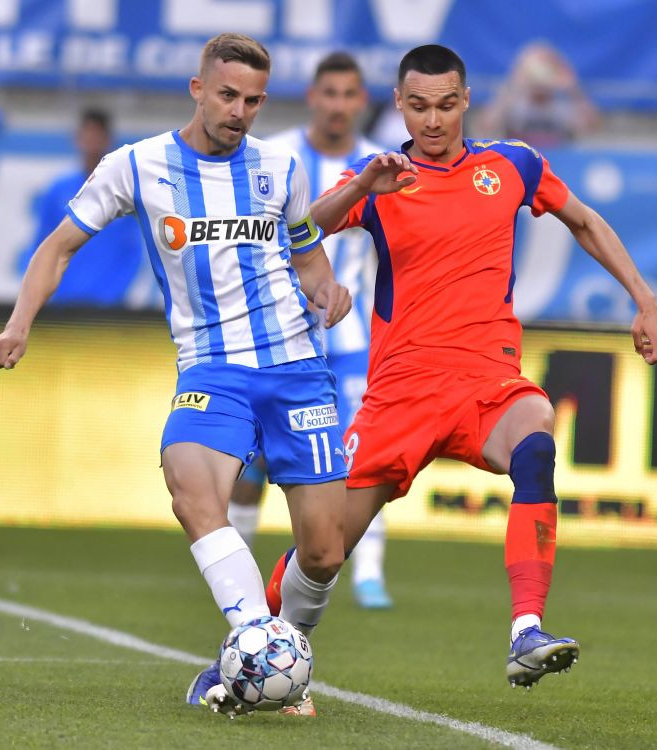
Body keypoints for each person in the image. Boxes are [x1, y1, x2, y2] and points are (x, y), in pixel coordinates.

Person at [266, 44, 657, 690]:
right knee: (323, 549)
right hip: (400, 396)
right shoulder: (383, 178)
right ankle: (259, 648)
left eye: (447, 105)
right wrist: (359, 186)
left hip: (488, 385)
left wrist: (645, 300)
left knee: (536, 439)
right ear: (399, 105)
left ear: (467, 101)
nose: (433, 121)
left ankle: (525, 631)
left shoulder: (510, 165)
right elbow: (298, 238)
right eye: (419, 107)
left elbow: (584, 220)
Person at [0, 33, 352, 717]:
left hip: (297, 367)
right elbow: (58, 246)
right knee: (187, 483)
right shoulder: (136, 165)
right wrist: (18, 324)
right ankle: (252, 640)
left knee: (325, 552)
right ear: (196, 88)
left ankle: (275, 658)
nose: (240, 110)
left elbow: (308, 258)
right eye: (227, 95)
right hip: (212, 365)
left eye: (253, 100)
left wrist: (330, 291)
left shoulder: (282, 168)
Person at [227, 51, 393, 610]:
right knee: (254, 464)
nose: (340, 105)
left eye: (351, 95)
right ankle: (240, 568)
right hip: (274, 343)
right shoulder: (276, 158)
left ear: (361, 102)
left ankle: (369, 574)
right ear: (313, 97)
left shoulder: (381, 169)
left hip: (351, 349)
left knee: (359, 462)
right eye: (331, 94)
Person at [20, 109, 145, 306]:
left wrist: (111, 296)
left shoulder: (123, 191)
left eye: (97, 134)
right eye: (88, 134)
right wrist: (48, 292)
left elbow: (133, 252)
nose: (92, 141)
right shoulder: (58, 190)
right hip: (61, 305)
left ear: (108, 140)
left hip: (108, 309)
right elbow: (41, 243)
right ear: (77, 138)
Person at [473, 41, 599, 149]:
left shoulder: (562, 107)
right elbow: (486, 126)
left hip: (557, 165)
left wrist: (574, 90)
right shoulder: (516, 104)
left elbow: (592, 128)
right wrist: (512, 85)